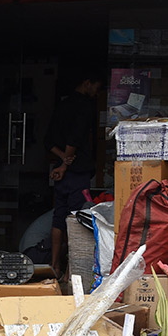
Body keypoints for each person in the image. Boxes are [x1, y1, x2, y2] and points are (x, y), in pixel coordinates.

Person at [46, 73, 102, 278]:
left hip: (62, 174)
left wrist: (61, 161)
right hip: (77, 173)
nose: (97, 92)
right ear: (87, 82)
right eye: (96, 87)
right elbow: (75, 138)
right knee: (77, 219)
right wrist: (65, 165)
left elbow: (49, 140)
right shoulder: (85, 106)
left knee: (58, 217)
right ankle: (72, 271)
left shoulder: (63, 105)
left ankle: (54, 266)